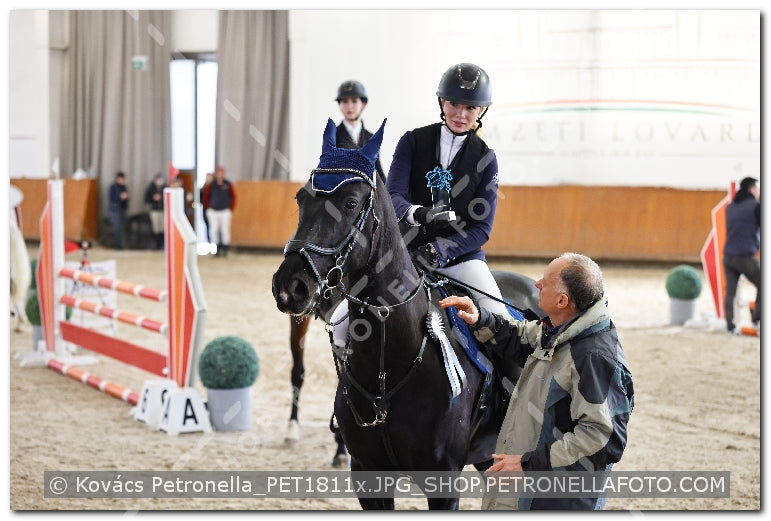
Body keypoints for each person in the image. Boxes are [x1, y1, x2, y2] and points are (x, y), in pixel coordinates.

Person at [440, 252, 635, 510]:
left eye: (546, 281)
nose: (537, 284)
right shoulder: (560, 331)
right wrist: (480, 319)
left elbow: (603, 440)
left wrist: (527, 465)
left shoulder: (593, 359)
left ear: (562, 301)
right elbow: (520, 337)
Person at [385, 62, 509, 316]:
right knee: (344, 323)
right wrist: (417, 213)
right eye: (454, 103)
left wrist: (438, 251)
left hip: (462, 260)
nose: (460, 114)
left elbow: (481, 228)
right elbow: (391, 197)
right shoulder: (412, 141)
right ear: (442, 102)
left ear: (481, 110)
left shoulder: (486, 159)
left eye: (470, 107)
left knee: (499, 317)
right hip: (406, 254)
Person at [723, 176, 761, 334]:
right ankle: (757, 320)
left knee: (730, 292)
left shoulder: (730, 207)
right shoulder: (756, 206)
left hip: (728, 256)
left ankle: (730, 326)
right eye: (757, 188)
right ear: (752, 189)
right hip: (744, 255)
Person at [334, 80, 385, 181]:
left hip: (367, 189)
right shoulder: (332, 136)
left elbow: (379, 173)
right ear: (340, 104)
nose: (349, 106)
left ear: (363, 104)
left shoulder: (371, 138)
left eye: (354, 101)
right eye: (345, 101)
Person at [202, 165, 236, 257]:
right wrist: (208, 209)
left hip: (225, 210)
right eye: (218, 173)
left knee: (225, 230)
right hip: (213, 211)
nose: (220, 174)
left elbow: (233, 197)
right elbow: (206, 197)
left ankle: (225, 249)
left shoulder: (227, 184)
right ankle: (216, 249)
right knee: (214, 230)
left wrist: (230, 209)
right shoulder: (211, 185)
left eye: (221, 173)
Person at [107, 171, 129, 249]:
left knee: (121, 227)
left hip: (122, 209)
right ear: (117, 179)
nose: (122, 180)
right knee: (117, 227)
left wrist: (126, 197)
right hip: (115, 210)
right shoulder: (113, 187)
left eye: (123, 179)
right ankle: (116, 245)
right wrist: (120, 197)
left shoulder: (124, 187)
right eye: (121, 179)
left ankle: (120, 244)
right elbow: (111, 198)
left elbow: (126, 198)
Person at [144, 173, 166, 249]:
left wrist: (161, 199)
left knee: (163, 228)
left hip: (163, 211)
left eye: (160, 180)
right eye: (157, 180)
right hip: (154, 210)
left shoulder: (165, 189)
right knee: (156, 228)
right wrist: (153, 198)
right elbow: (146, 200)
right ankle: (157, 245)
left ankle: (162, 245)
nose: (159, 182)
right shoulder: (150, 189)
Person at [199, 172, 214, 244]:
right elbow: (200, 199)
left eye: (209, 177)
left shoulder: (214, 187)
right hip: (205, 209)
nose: (208, 179)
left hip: (213, 209)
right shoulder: (203, 188)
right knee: (207, 225)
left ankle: (215, 241)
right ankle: (209, 241)